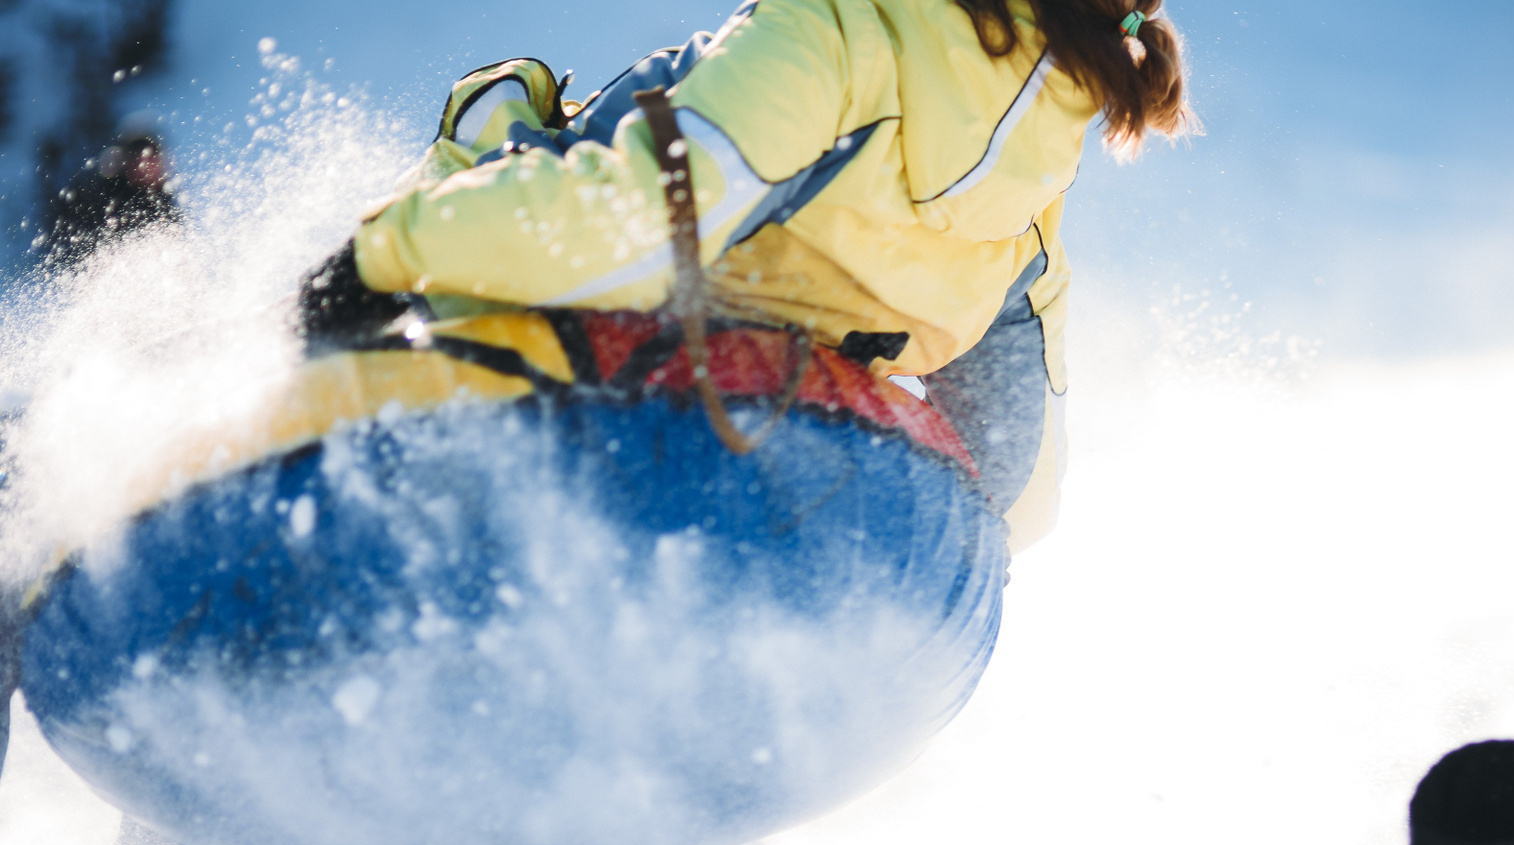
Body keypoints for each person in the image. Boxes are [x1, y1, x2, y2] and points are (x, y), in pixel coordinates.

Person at [299, 0, 1193, 550]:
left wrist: (380, 256)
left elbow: (641, 220)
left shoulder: (840, 31)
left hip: (587, 379)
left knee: (513, 106)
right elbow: (1020, 491)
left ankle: (409, 282)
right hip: (798, 480)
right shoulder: (1035, 204)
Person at [39, 121, 181, 268]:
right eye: (138, 159)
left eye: (151, 158)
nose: (145, 166)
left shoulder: (165, 198)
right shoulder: (110, 198)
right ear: (127, 163)